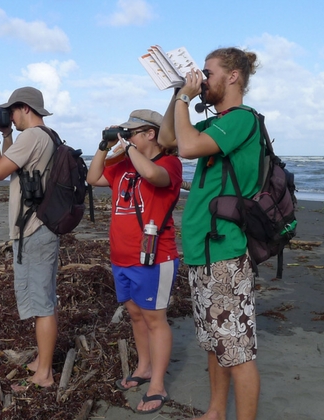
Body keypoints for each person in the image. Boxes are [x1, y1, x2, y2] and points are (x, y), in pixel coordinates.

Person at [158, 48, 263, 419]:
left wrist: (188, 97)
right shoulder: (216, 121)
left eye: (208, 72)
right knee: (215, 343)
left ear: (233, 76)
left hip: (226, 252)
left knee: (236, 350)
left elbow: (186, 148)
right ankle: (216, 411)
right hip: (203, 251)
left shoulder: (240, 119)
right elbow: (169, 137)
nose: (202, 78)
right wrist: (177, 93)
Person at [87, 109, 182, 414]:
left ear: (151, 134)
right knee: (135, 314)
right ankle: (143, 368)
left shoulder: (170, 163)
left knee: (155, 319)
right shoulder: (124, 166)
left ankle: (158, 385)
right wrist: (105, 147)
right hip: (121, 256)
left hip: (155, 258)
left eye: (132, 132)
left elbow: (154, 176)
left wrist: (126, 147)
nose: (126, 137)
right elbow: (92, 177)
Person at [0, 86, 59, 390]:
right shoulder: (46, 135)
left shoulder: (32, 137)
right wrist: (7, 135)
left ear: (25, 108)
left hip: (34, 230)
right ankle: (42, 361)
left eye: (11, 111)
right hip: (41, 227)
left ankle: (45, 374)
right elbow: (18, 169)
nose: (9, 118)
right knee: (43, 298)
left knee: (42, 304)